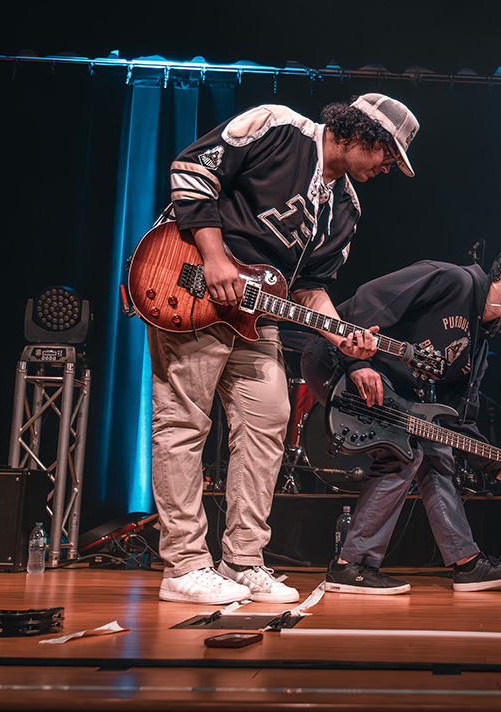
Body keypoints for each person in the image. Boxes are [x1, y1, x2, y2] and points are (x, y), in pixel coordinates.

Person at [150, 94, 419, 604]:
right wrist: (213, 256)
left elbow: (310, 285)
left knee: (269, 425)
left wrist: (338, 332)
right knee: (183, 423)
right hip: (192, 290)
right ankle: (183, 566)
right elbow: (192, 170)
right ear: (361, 132)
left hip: (260, 320)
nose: (388, 167)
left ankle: (242, 561)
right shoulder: (277, 126)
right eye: (388, 154)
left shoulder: (346, 207)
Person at [301, 243, 501, 593]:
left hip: (391, 392)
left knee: (437, 454)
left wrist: (492, 466)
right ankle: (352, 566)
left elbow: (459, 421)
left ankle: (467, 565)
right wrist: (357, 362)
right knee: (403, 453)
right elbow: (369, 301)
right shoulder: (451, 279)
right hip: (334, 356)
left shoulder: (480, 344)